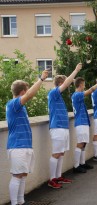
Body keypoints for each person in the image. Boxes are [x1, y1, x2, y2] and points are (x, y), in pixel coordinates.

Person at [6, 70, 48, 205]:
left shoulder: (19, 106)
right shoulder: (13, 104)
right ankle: (14, 203)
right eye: (27, 90)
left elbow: (29, 94)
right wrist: (41, 79)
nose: (28, 92)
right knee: (17, 176)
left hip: (24, 146)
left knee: (23, 175)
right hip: (17, 146)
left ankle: (21, 201)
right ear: (23, 92)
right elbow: (30, 94)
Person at [47, 63, 82, 189]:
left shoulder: (58, 96)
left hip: (63, 127)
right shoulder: (53, 93)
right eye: (64, 83)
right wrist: (76, 70)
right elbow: (67, 83)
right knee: (56, 153)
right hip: (57, 127)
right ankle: (52, 179)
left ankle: (58, 176)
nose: (67, 86)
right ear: (60, 83)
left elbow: (67, 83)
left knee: (61, 153)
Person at [72, 77, 97, 173]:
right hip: (80, 122)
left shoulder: (77, 95)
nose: (84, 86)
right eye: (83, 84)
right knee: (80, 143)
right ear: (80, 85)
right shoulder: (76, 95)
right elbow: (89, 91)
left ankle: (82, 163)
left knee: (83, 143)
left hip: (83, 122)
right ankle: (76, 166)